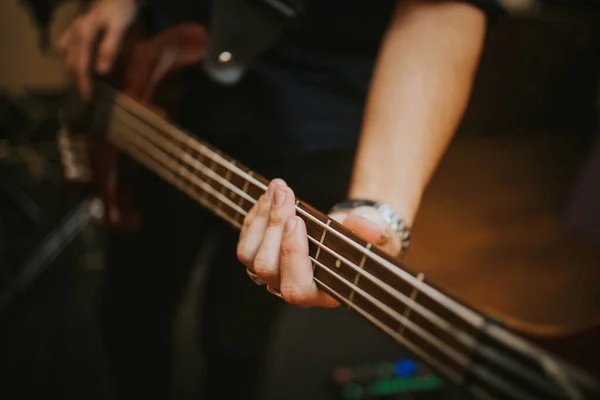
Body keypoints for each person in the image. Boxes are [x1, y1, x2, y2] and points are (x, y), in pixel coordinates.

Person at [57, 0, 504, 399]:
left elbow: (442, 11)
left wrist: (381, 208)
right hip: (159, 93)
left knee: (237, 335)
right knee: (131, 312)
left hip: (308, 129)